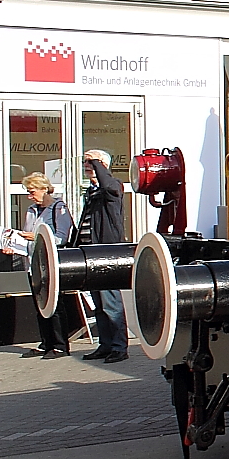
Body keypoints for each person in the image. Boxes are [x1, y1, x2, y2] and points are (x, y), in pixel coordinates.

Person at [14, 173, 74, 358]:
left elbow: (61, 238)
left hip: (50, 263)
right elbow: (28, 236)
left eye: (32, 192)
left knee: (54, 304)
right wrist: (15, 244)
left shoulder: (58, 208)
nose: (30, 196)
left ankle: (60, 345)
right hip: (33, 263)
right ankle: (46, 342)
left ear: (44, 189)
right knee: (40, 305)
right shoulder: (32, 210)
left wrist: (37, 236)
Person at [78, 149, 129, 363]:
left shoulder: (113, 187)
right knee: (99, 304)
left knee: (111, 303)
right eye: (85, 162)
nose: (87, 166)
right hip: (90, 254)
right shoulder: (92, 192)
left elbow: (108, 186)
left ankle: (119, 347)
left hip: (106, 255)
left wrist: (98, 165)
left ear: (103, 166)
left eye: (91, 162)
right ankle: (105, 344)